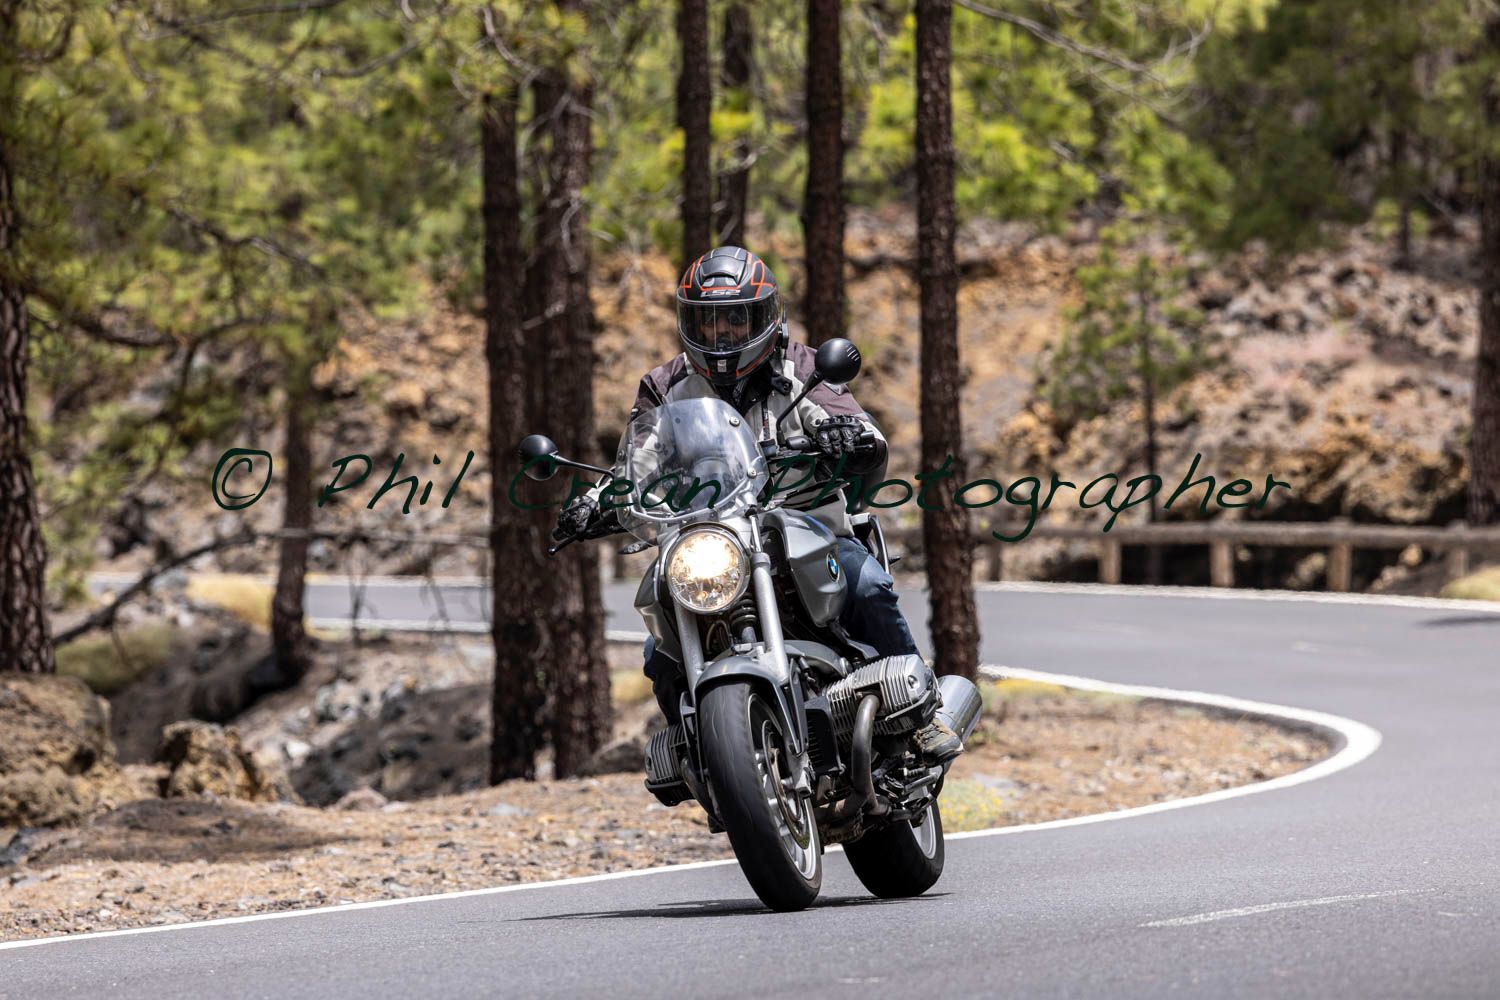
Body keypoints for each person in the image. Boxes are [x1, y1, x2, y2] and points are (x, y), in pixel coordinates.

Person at [556, 245, 962, 764]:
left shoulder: (804, 366)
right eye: (708, 322)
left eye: (734, 319)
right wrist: (596, 502)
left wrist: (848, 436)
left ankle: (924, 717)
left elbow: (856, 423)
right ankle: (702, 753)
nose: (721, 334)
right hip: (710, 539)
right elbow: (636, 464)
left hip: (808, 526)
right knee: (660, 650)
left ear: (764, 316)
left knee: (867, 585)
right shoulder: (664, 386)